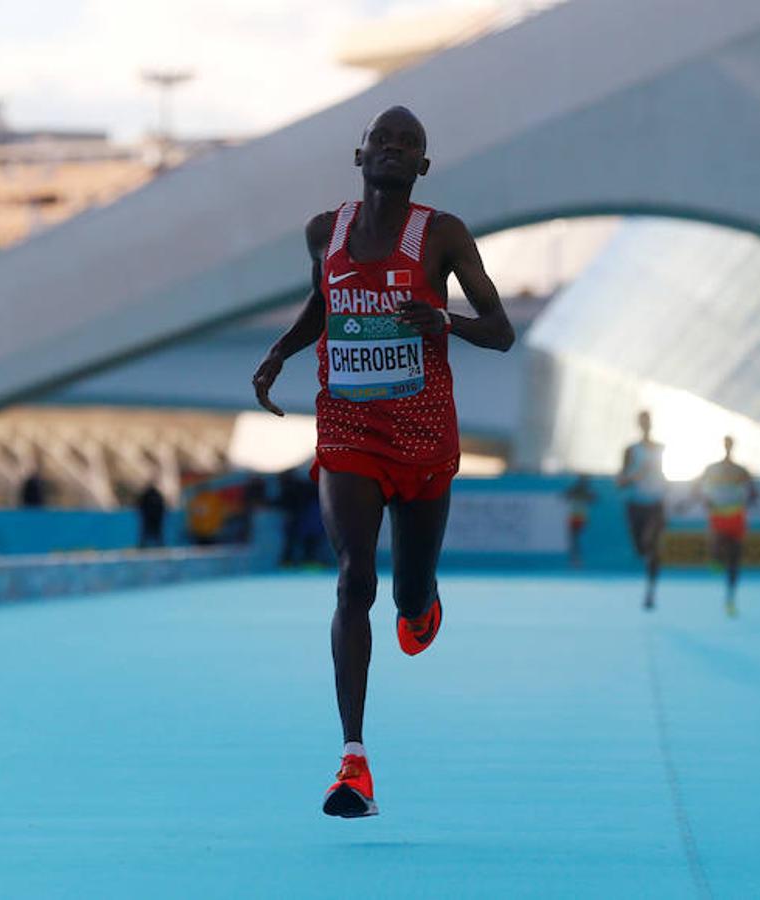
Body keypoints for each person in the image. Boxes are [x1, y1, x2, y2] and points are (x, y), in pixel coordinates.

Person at [251, 106, 514, 818]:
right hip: (347, 427)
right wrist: (282, 351)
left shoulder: (443, 235)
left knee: (406, 592)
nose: (395, 149)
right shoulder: (323, 231)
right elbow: (324, 303)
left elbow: (501, 332)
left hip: (424, 434)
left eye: (410, 144)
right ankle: (353, 762)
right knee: (353, 577)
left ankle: (422, 599)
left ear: (421, 166)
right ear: (359, 153)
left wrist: (445, 321)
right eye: (384, 140)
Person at [694, 436, 756, 618]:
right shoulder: (712, 469)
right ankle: (715, 558)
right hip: (719, 515)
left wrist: (745, 502)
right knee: (718, 548)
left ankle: (730, 598)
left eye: (730, 444)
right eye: (726, 444)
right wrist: (707, 501)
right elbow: (696, 487)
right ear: (723, 445)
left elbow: (753, 491)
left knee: (735, 559)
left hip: (736, 516)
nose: (728, 447)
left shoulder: (741, 470)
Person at [616, 411, 666, 610]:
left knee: (652, 545)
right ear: (638, 424)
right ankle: (647, 561)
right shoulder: (631, 450)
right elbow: (620, 480)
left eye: (648, 421)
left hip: (656, 504)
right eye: (642, 421)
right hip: (636, 504)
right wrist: (635, 476)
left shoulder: (661, 448)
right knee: (641, 548)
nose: (646, 425)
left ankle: (651, 592)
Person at [562, 474, 596, 568]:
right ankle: (575, 559)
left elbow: (594, 499)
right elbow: (565, 496)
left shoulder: (585, 491)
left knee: (576, 539)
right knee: (574, 539)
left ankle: (577, 559)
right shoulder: (577, 490)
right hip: (576, 517)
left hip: (580, 518)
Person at [136, 482, 166, 548]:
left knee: (150, 532)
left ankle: (158, 544)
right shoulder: (156, 495)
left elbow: (140, 504)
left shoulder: (148, 495)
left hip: (150, 517)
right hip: (153, 517)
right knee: (153, 532)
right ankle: (159, 544)